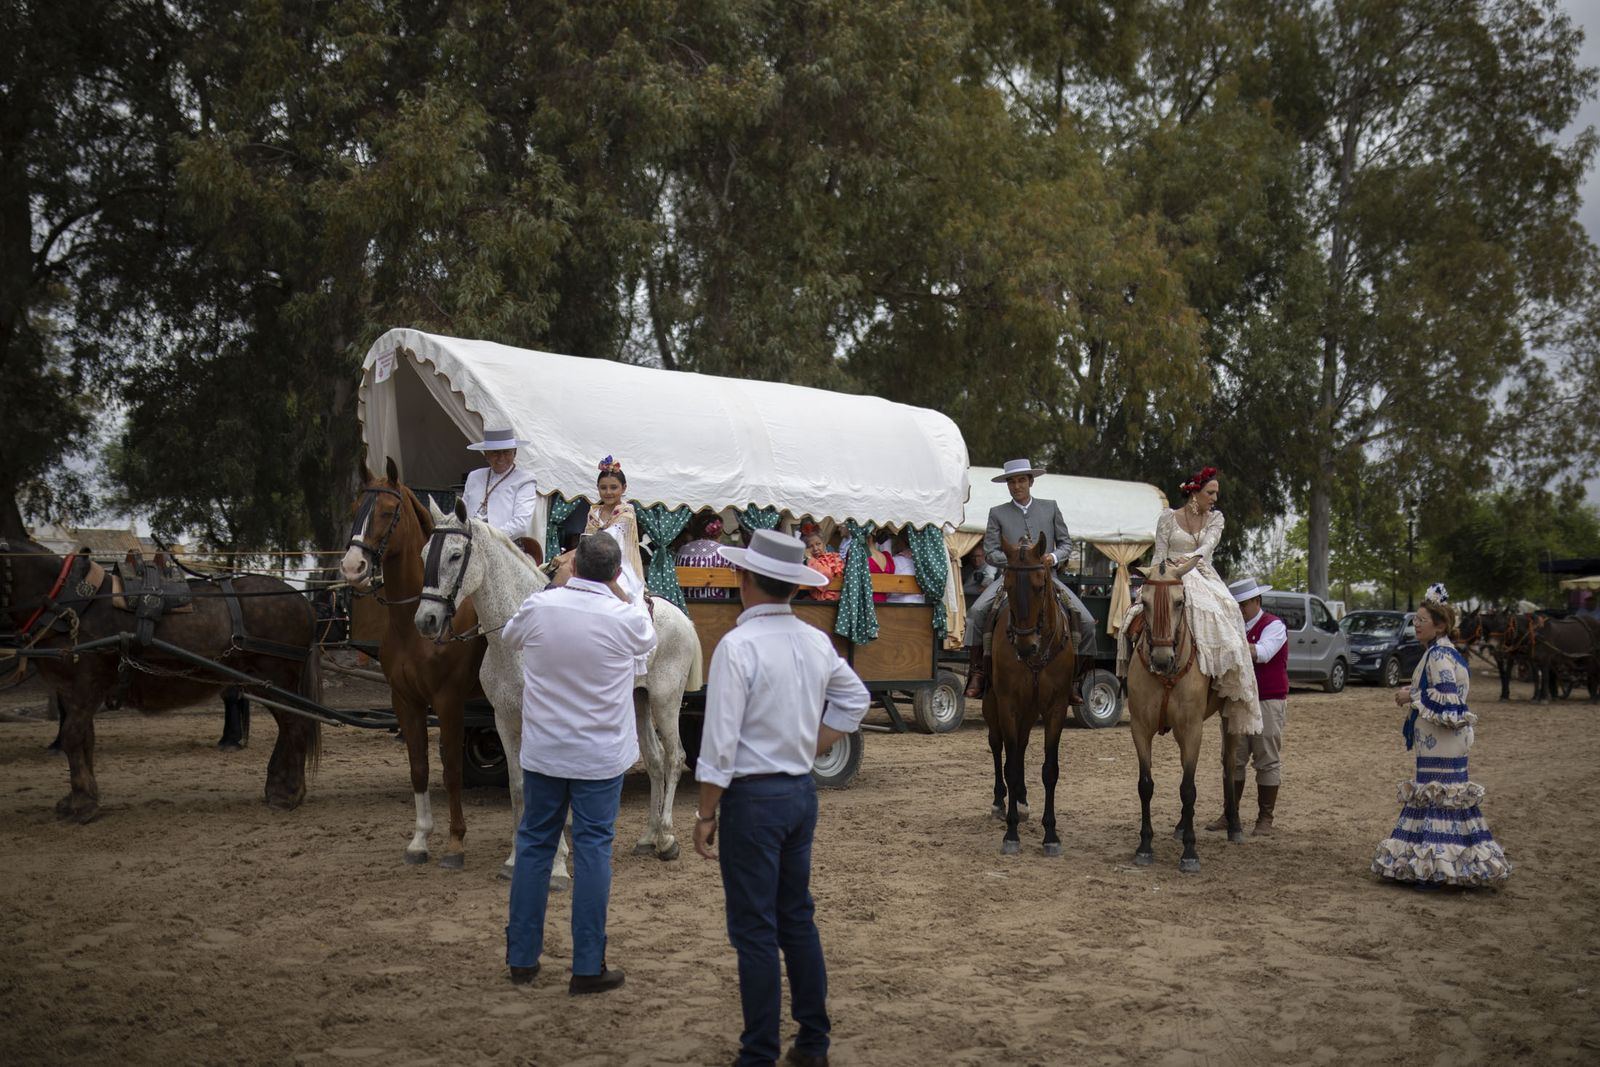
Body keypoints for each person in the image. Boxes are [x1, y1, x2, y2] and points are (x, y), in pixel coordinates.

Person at [693, 529, 870, 1067]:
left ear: (745, 579)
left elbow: (720, 743)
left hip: (753, 799)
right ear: (792, 585)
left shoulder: (737, 646)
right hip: (797, 791)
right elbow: (855, 699)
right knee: (795, 917)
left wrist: (704, 812)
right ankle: (812, 1042)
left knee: (754, 929)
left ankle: (759, 1052)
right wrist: (812, 743)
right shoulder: (814, 640)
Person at [501, 533, 658, 993]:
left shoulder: (540, 605)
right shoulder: (625, 616)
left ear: (574, 567)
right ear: (613, 574)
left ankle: (521, 957)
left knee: (533, 846)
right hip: (598, 755)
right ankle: (588, 964)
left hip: (546, 749)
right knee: (593, 851)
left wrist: (557, 583)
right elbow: (646, 640)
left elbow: (510, 638)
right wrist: (622, 591)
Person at [1372, 583, 1511, 888]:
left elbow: (1449, 698)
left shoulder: (1439, 655)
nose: (1416, 625)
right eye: (1415, 620)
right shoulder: (1443, 652)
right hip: (1441, 740)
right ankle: (1443, 865)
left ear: (1440, 625)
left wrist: (1412, 695)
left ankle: (1440, 868)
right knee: (1441, 796)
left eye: (1422, 620)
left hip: (1442, 742)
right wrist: (1415, 693)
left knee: (1440, 794)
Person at [1139, 465, 1261, 733]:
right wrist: (1155, 580)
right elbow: (1159, 554)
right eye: (1211, 492)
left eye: (1216, 493)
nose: (1215, 498)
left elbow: (1207, 547)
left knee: (1228, 610)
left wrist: (1189, 563)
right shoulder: (1168, 518)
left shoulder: (1216, 519)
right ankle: (1133, 674)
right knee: (1136, 615)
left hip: (1201, 573)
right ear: (1195, 492)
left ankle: (1225, 679)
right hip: (1168, 574)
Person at [964, 458, 1097, 700]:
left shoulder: (1050, 507)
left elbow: (1066, 544)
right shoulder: (997, 513)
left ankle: (1075, 680)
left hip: (1047, 578)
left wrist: (1053, 558)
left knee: (1086, 622)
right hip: (1011, 579)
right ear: (1007, 485)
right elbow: (991, 551)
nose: (1017, 486)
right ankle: (977, 672)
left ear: (1031, 481)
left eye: (1021, 480)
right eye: (1012, 482)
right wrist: (1017, 562)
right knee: (976, 613)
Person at [1204, 577, 1289, 835]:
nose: (1239, 609)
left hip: (1267, 698)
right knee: (1233, 758)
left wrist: (1229, 645)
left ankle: (1265, 818)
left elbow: (1263, 652)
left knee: (1266, 758)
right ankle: (1231, 813)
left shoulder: (1274, 625)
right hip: (1238, 697)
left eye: (1243, 604)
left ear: (1256, 601)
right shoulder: (1234, 626)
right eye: (1236, 604)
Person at [461, 427, 540, 556]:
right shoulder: (474, 476)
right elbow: (462, 512)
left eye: (506, 452)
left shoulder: (525, 480)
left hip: (505, 547)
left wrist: (489, 537)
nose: (501, 457)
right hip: (468, 543)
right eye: (495, 452)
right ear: (486, 454)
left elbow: (521, 523)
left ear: (514, 453)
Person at [677, 510, 733, 601]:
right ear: (719, 532)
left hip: (686, 602)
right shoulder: (724, 551)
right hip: (718, 603)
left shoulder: (682, 550)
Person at [800, 524, 844, 602]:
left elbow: (826, 574)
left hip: (833, 600)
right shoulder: (804, 562)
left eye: (818, 544)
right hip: (814, 601)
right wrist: (808, 559)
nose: (815, 549)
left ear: (824, 544)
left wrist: (810, 560)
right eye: (810, 546)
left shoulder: (833, 558)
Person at [885, 529, 925, 605]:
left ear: (900, 541)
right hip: (920, 604)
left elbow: (887, 589)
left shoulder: (895, 560)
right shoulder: (921, 562)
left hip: (896, 605)